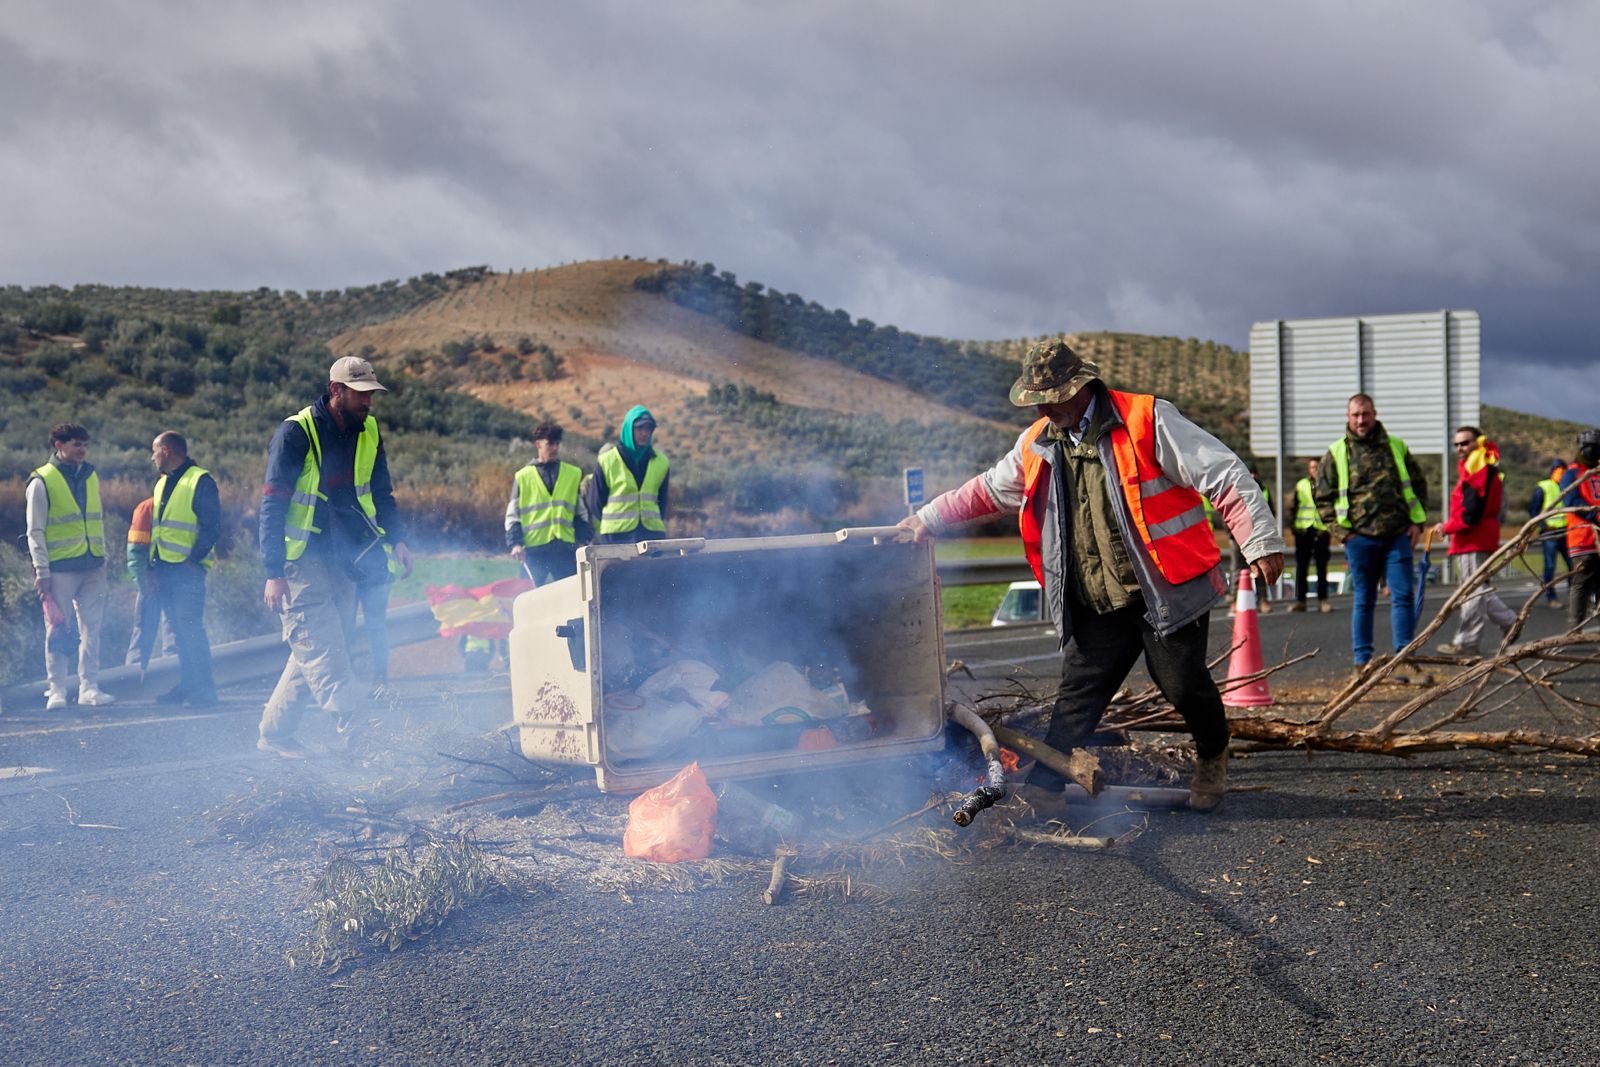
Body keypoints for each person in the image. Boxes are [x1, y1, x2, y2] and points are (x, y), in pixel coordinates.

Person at [899, 340, 1283, 813]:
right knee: (1078, 696)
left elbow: (1223, 473)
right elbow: (987, 490)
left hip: (1164, 587)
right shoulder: (1038, 442)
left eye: (1053, 395)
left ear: (1081, 387)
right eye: (1037, 398)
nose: (1043, 407)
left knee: (1182, 686)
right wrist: (928, 517)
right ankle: (1047, 787)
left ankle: (1212, 754)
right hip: (1097, 597)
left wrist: (1260, 542)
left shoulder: (1146, 418)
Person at [256, 356, 413, 758]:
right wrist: (273, 571)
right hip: (300, 564)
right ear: (335, 391)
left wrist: (397, 539)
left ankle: (273, 735)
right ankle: (362, 743)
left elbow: (382, 491)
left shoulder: (369, 429)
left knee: (316, 650)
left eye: (371, 395)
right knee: (326, 656)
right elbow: (273, 504)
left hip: (346, 561)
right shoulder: (295, 433)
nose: (368, 403)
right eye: (360, 394)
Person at [1313, 393, 1429, 679]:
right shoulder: (1337, 452)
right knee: (1364, 599)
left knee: (1403, 596)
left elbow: (1418, 484)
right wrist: (1343, 534)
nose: (1360, 420)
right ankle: (1362, 664)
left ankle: (1405, 659)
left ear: (1374, 413)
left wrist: (1417, 523)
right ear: (1348, 417)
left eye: (1365, 414)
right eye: (1355, 415)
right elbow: (1323, 499)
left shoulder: (1396, 447)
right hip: (1359, 539)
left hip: (1396, 537)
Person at [24, 423, 116, 710]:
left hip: (92, 566)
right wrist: (42, 571)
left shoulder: (90, 475)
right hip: (60, 569)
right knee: (58, 629)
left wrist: (102, 557)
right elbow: (34, 531)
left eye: (85, 445)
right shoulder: (41, 480)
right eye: (77, 444)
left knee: (92, 629)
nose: (82, 450)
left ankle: (89, 688)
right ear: (59, 446)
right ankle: (57, 691)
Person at [147, 432, 221, 705]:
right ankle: (189, 685)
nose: (152, 457)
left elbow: (212, 526)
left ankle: (205, 690)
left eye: (154, 451)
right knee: (179, 630)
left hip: (187, 570)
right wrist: (152, 567)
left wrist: (193, 561)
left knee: (190, 629)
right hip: (165, 568)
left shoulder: (200, 480)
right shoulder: (162, 483)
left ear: (166, 451)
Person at [1433, 428, 1515, 656]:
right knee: (1478, 590)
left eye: (1464, 443)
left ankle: (1467, 642)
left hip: (1473, 540)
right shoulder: (1482, 468)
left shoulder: (1478, 470)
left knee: (1472, 592)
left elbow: (1471, 513)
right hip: (1476, 539)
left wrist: (1447, 527)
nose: (1460, 448)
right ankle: (1511, 622)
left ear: (1477, 443)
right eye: (1456, 445)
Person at [506, 421, 591, 583]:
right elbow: (512, 516)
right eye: (550, 443)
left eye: (557, 443)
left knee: (571, 598)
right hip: (534, 552)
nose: (555, 448)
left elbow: (580, 514)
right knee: (528, 598)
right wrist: (515, 543)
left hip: (565, 550)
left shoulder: (573, 474)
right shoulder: (522, 477)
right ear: (538, 444)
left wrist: (582, 541)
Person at [592, 406, 669, 545]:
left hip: (652, 534)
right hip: (615, 536)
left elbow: (663, 501)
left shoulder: (662, 462)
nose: (645, 433)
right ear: (628, 429)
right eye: (640, 428)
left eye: (649, 429)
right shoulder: (606, 461)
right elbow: (596, 503)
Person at [124, 496, 177, 667]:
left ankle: (171, 674)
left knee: (173, 636)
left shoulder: (183, 506)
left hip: (174, 580)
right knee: (142, 634)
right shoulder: (147, 508)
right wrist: (144, 584)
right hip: (151, 581)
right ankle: (133, 678)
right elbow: (135, 552)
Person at [1558, 430, 1600, 628]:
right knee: (1582, 582)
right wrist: (1595, 515)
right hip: (1582, 537)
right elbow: (1572, 500)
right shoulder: (1573, 473)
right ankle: (1575, 627)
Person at [1290, 458, 1333, 613]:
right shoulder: (1301, 484)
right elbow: (1294, 506)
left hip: (1321, 530)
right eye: (1312, 467)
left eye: (1317, 466)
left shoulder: (1327, 484)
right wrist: (1293, 527)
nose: (1314, 469)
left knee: (1322, 567)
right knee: (1302, 567)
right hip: (1303, 531)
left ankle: (1323, 600)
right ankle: (1300, 600)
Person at [1528, 458, 1570, 608]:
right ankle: (1551, 597)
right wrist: (1543, 525)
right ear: (1553, 471)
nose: (1561, 474)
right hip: (1550, 533)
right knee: (1550, 566)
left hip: (1566, 532)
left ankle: (1575, 596)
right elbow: (1533, 510)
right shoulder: (1543, 487)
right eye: (1559, 471)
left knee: (1573, 565)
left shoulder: (1567, 486)